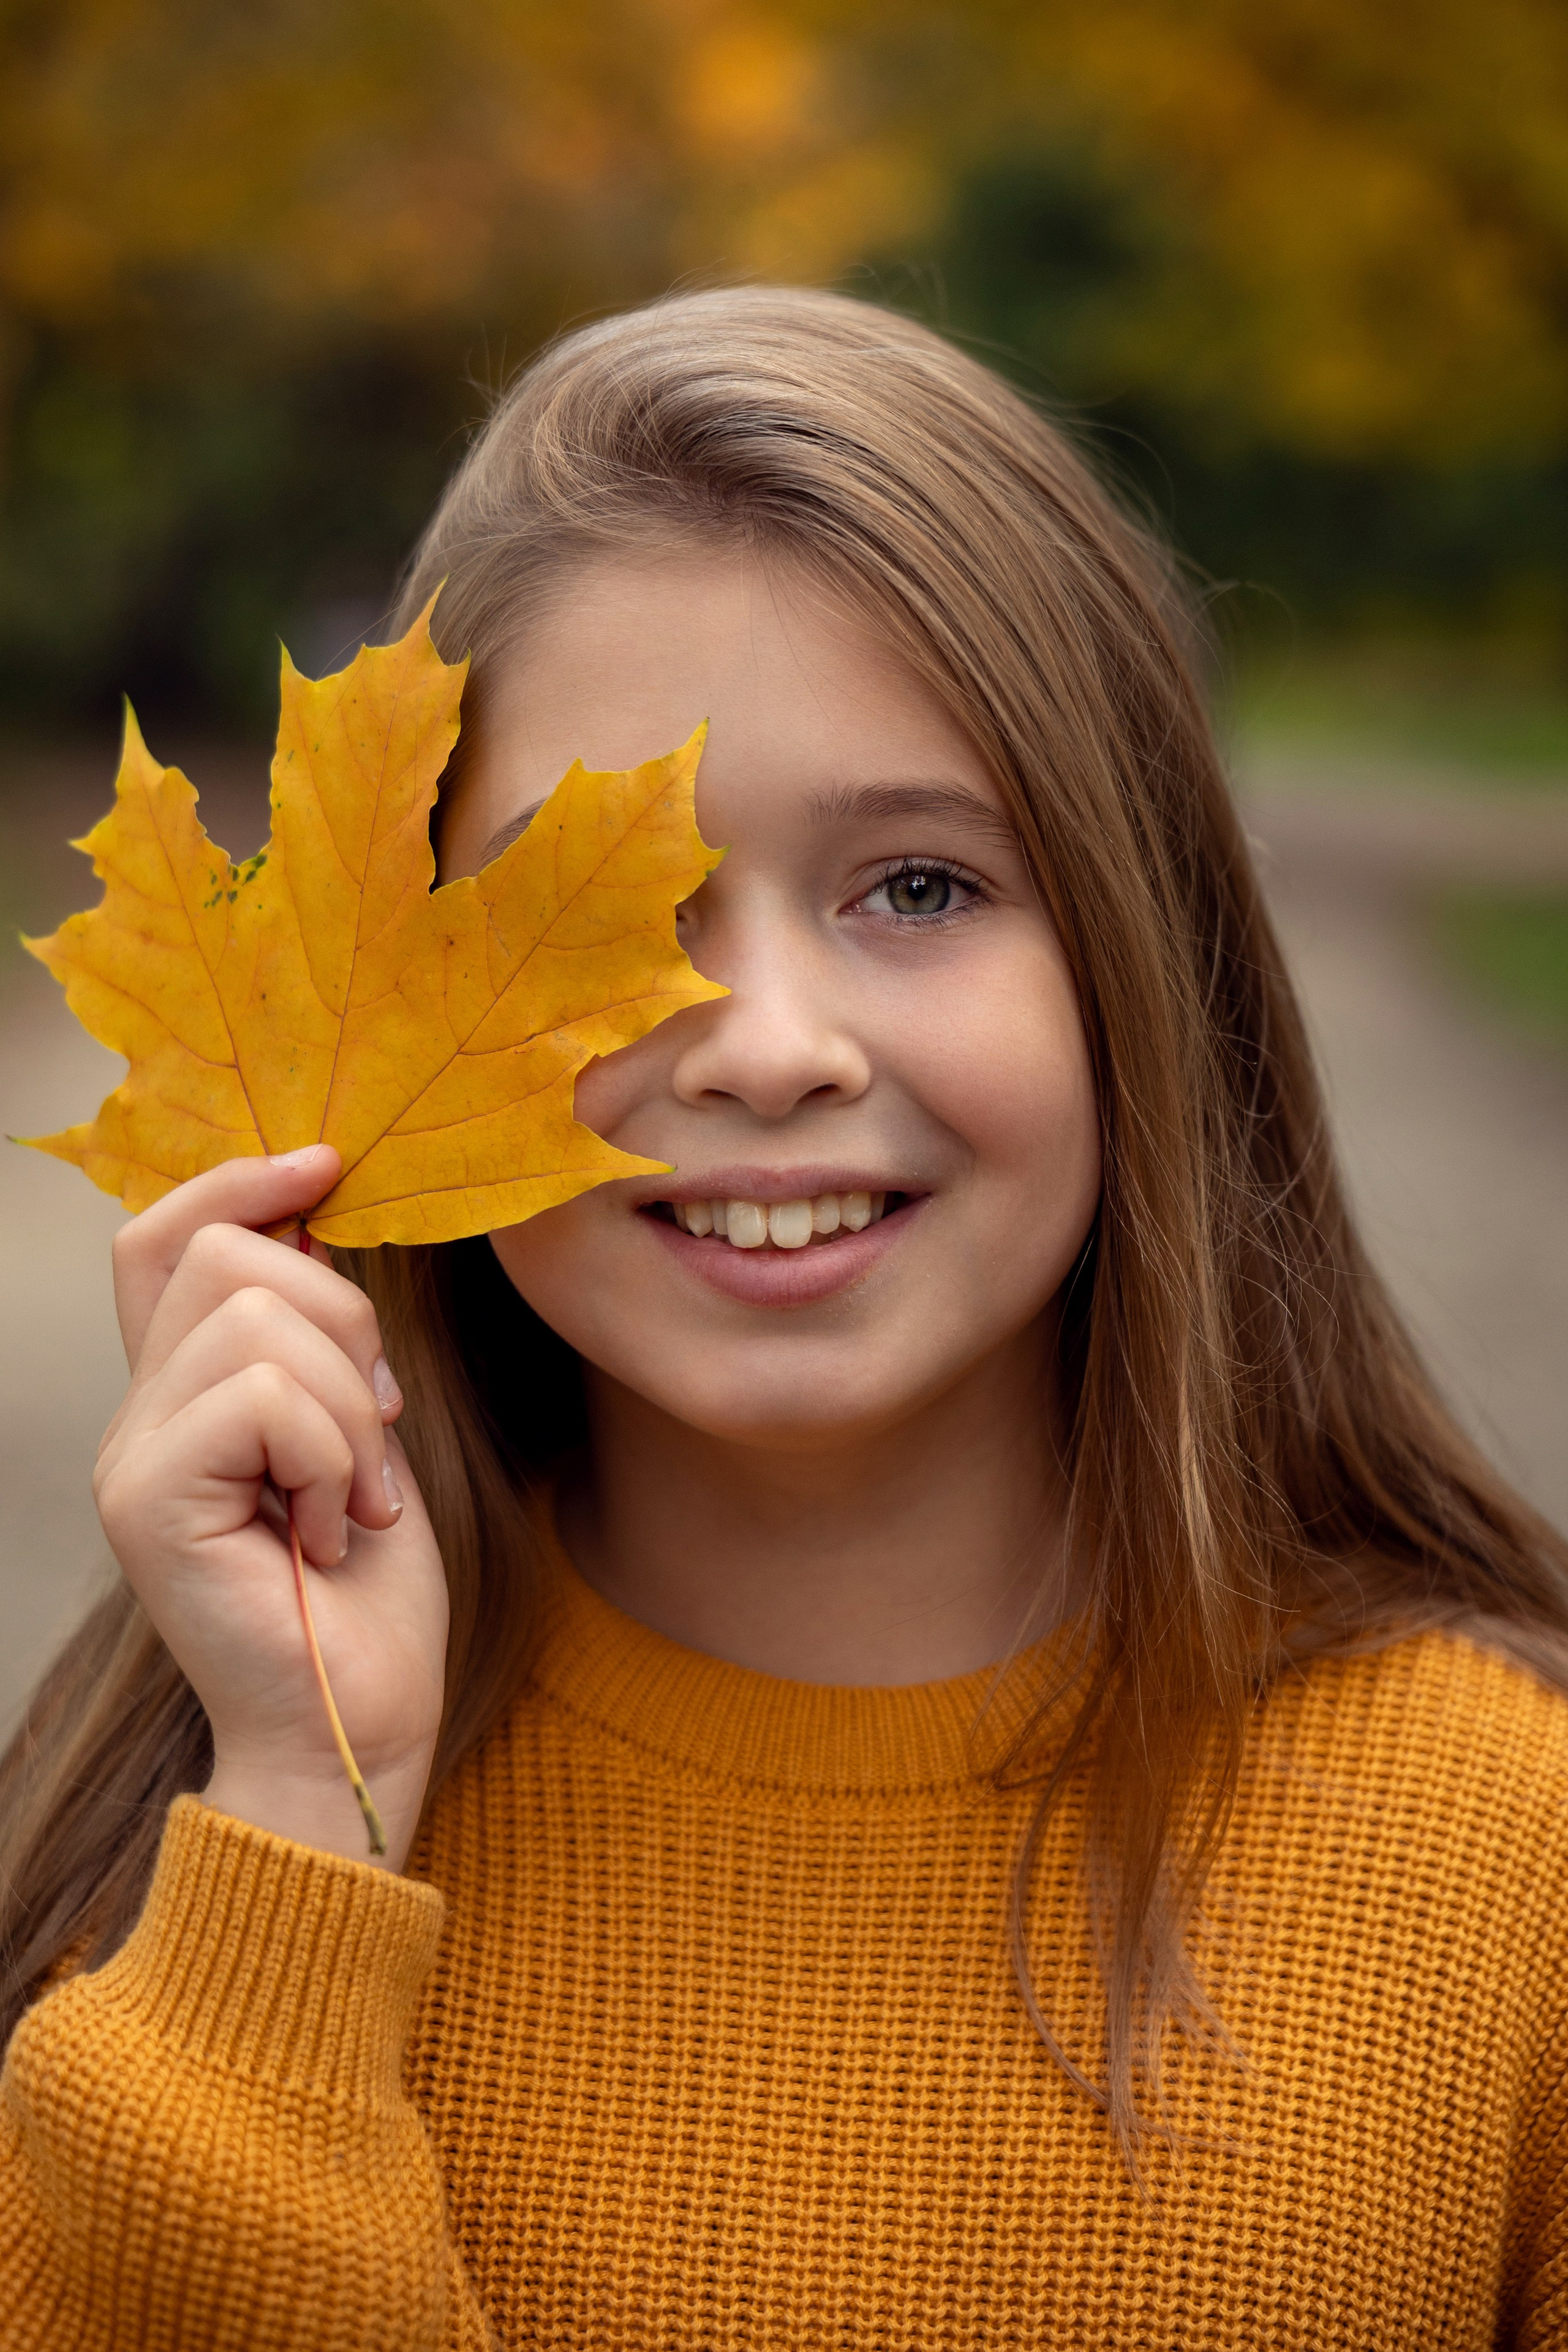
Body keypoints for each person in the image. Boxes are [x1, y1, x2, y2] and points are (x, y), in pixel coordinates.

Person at [2, 287, 1566, 2351]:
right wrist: (307, 1805)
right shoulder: (183, 1846)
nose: (764, 1049)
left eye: (917, 886)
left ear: (1142, 960)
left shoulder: (1511, 1871)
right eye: (621, 910)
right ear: (392, 995)